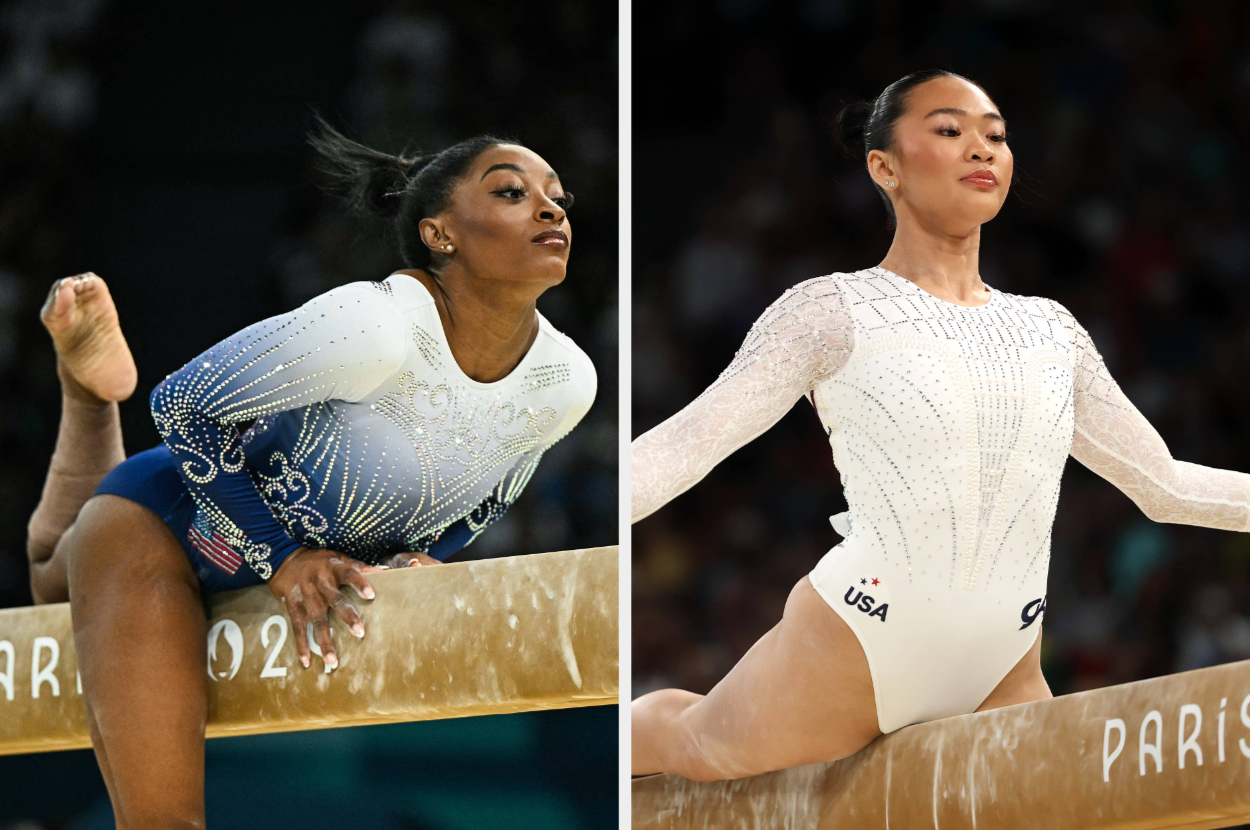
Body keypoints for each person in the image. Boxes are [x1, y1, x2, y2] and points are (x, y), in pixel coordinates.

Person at [630, 69, 1250, 782]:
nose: (982, 149)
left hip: (1003, 665)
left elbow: (1164, 486)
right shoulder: (831, 310)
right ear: (884, 167)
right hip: (857, 646)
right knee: (690, 744)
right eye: (950, 131)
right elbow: (687, 444)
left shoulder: (1053, 330)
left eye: (996, 136)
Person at [26, 119, 596, 827]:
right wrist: (284, 557)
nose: (550, 210)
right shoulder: (374, 326)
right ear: (440, 233)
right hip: (171, 528)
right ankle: (87, 391)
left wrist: (419, 557)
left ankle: (88, 397)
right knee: (57, 586)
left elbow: (485, 501)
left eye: (559, 198)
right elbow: (182, 404)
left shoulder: (565, 382)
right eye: (512, 193)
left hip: (284, 557)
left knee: (57, 580)